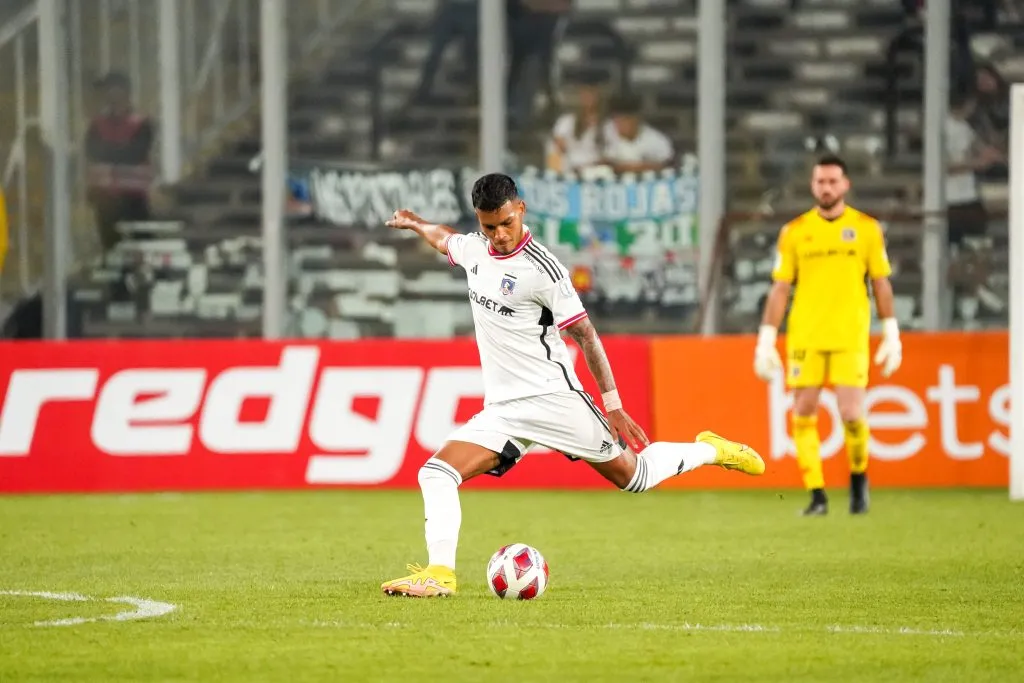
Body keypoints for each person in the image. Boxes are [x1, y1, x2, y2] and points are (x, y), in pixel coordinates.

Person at [380, 173, 765, 597]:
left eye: (507, 222)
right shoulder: (475, 251)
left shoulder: (544, 270)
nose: (500, 235)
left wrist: (613, 405)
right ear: (480, 220)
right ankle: (441, 575)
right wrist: (417, 223)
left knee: (633, 476)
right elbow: (444, 238)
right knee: (436, 473)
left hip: (555, 402)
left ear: (521, 209)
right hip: (504, 411)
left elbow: (586, 335)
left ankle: (711, 448)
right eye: (490, 226)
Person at [752, 155, 902, 516]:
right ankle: (817, 495)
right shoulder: (795, 231)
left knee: (851, 412)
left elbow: (880, 283)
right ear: (812, 185)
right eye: (821, 181)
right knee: (803, 412)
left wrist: (891, 331)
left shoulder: (867, 229)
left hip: (850, 334)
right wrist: (767, 337)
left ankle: (858, 482)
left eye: (833, 181)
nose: (827, 187)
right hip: (805, 336)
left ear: (846, 185)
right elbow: (780, 288)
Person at [84, 72, 154, 252]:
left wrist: (109, 151)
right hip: (105, 199)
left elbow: (135, 154)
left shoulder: (141, 123)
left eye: (112, 90)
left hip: (134, 198)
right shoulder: (97, 124)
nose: (109, 96)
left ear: (125, 92)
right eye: (107, 91)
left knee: (141, 248)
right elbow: (92, 151)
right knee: (111, 250)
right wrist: (119, 150)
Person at [601, 95, 674, 173]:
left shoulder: (657, 140)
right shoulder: (602, 133)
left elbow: (667, 165)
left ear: (637, 119)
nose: (621, 124)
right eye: (618, 120)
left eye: (626, 119)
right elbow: (595, 164)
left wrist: (625, 168)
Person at [546, 79, 606, 172]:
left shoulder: (605, 124)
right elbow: (557, 142)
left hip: (594, 167)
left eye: (592, 95)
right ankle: (555, 176)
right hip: (570, 164)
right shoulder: (566, 121)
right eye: (585, 95)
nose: (588, 99)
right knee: (552, 147)